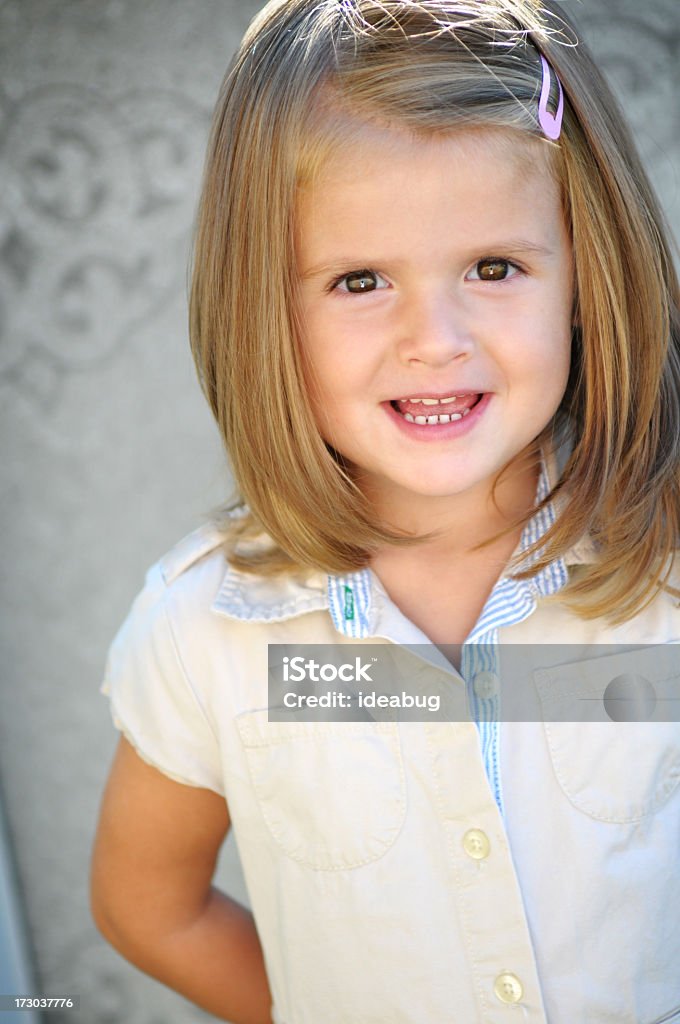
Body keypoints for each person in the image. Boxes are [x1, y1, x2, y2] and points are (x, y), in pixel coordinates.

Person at [90, 0, 680, 1021]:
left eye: (492, 268)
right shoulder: (207, 636)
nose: (434, 339)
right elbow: (150, 906)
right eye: (359, 280)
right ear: (266, 306)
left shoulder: (661, 572)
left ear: (584, 276)